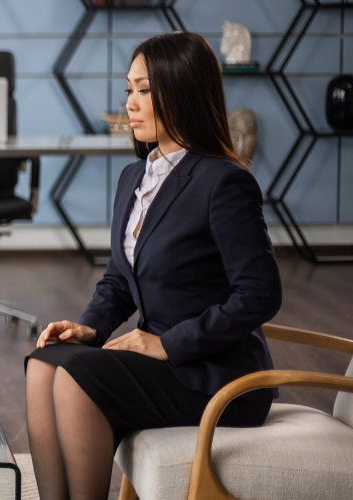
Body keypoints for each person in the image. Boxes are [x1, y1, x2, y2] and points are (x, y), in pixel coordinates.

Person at [25, 32, 281, 500]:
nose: (131, 103)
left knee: (78, 376)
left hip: (217, 375)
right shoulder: (133, 177)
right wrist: (89, 329)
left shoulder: (224, 182)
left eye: (145, 90)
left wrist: (168, 343)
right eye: (129, 89)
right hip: (159, 363)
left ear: (180, 91)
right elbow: (121, 276)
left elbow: (260, 293)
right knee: (44, 365)